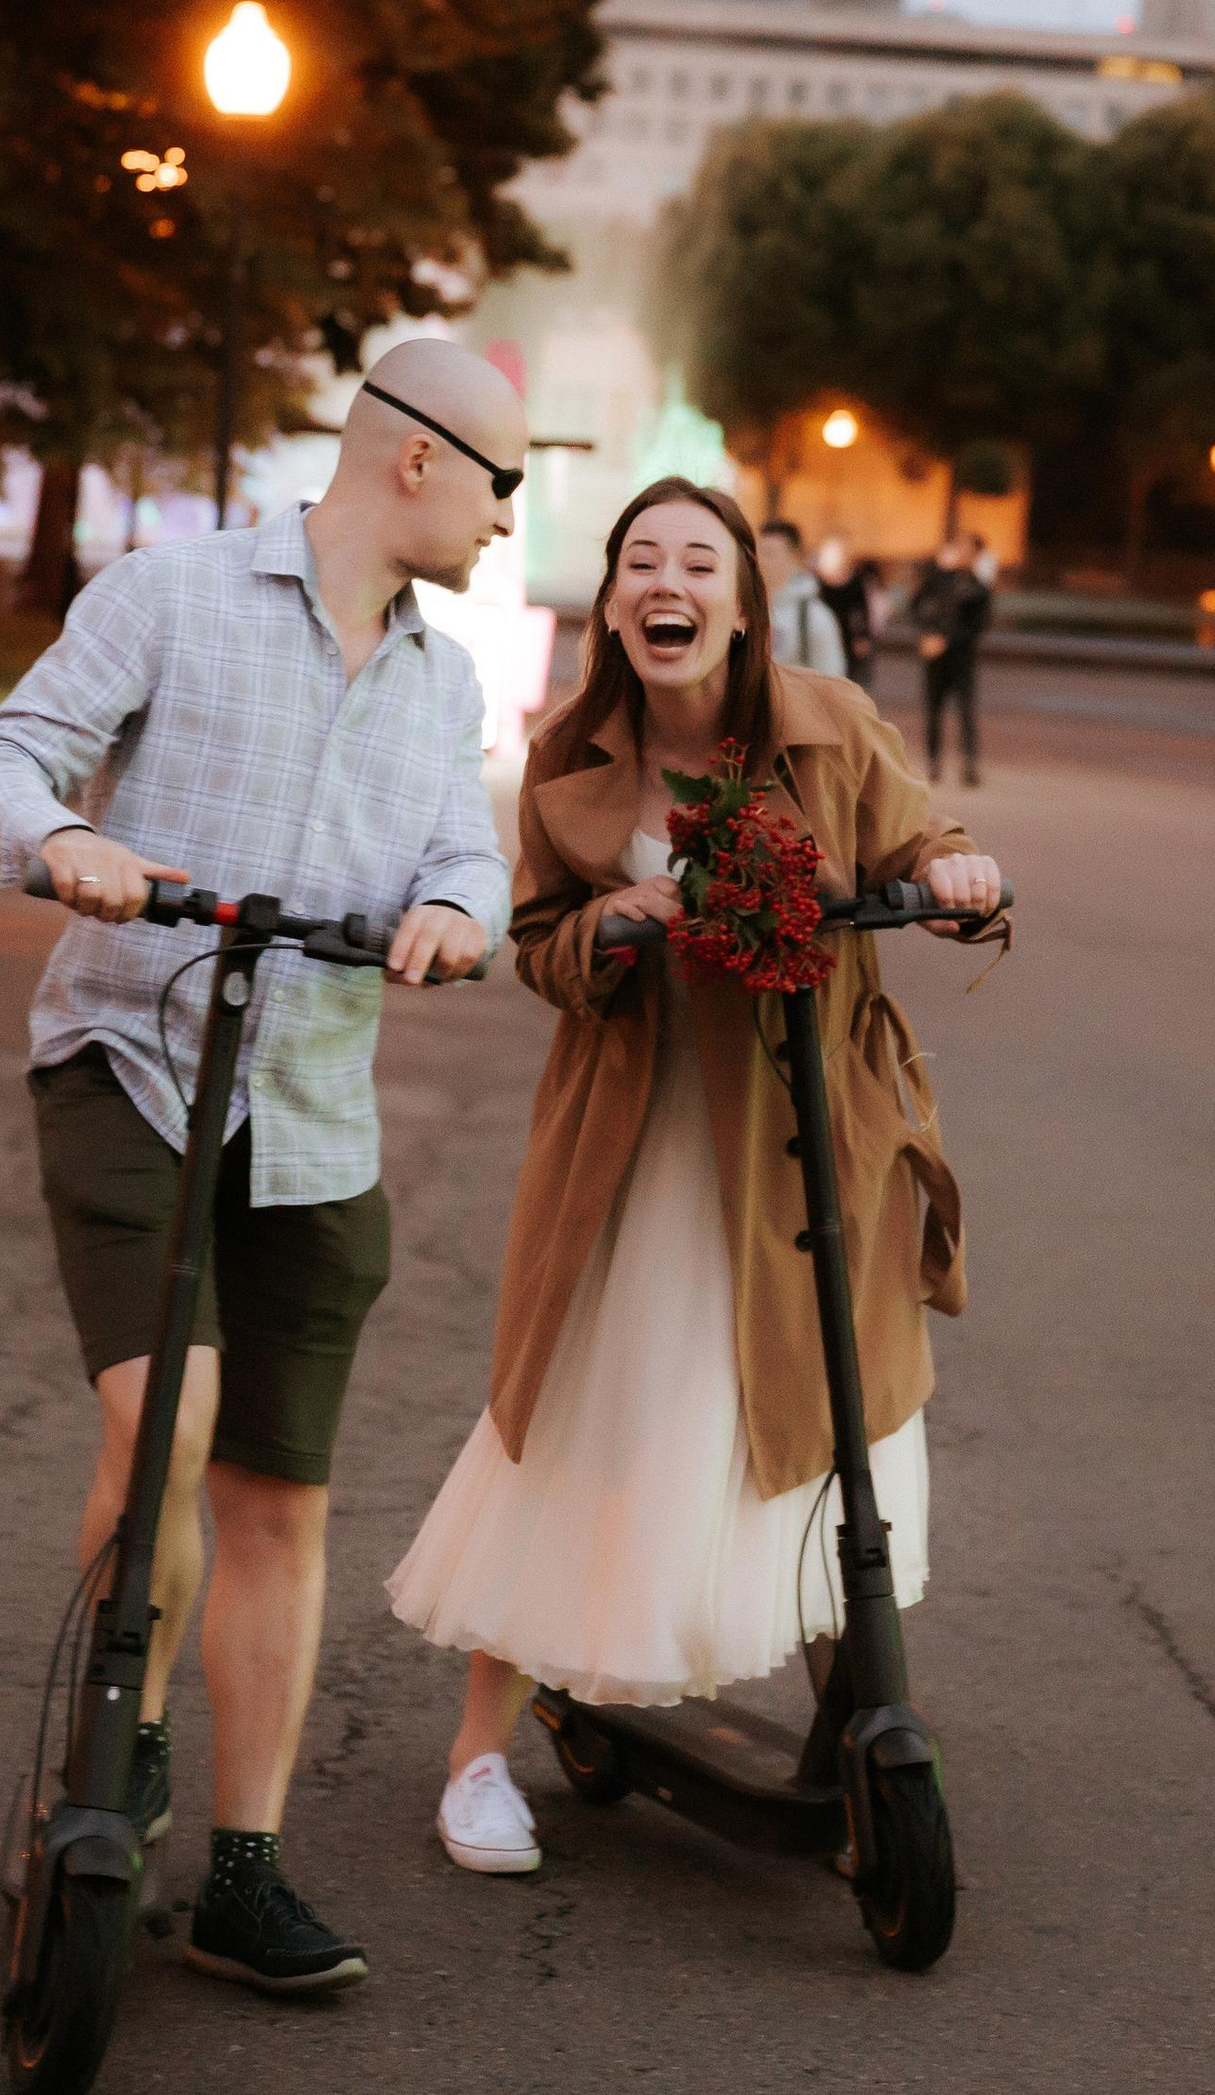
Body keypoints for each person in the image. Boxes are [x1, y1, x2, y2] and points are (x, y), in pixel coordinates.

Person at [0, 336, 521, 1997]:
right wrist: (65, 843)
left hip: (316, 1118)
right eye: (500, 478)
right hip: (133, 1070)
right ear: (416, 460)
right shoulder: (173, 595)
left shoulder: (443, 678)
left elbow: (466, 853)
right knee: (166, 1425)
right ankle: (106, 1773)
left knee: (276, 1499)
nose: (506, 515)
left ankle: (245, 1876)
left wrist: (455, 917)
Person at [386, 478, 1004, 1876]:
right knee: (584, 1416)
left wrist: (961, 875)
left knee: (824, 1421)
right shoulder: (569, 758)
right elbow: (537, 942)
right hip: (638, 1141)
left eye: (698, 562)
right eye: (641, 562)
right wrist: (613, 919)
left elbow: (926, 840)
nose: (668, 583)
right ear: (614, 601)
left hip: (803, 1140)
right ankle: (478, 1753)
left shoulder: (828, 727)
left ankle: (864, 1731)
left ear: (739, 601)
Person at [909, 532, 994, 785]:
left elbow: (978, 625)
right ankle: (933, 762)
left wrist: (944, 641)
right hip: (934, 660)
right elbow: (916, 608)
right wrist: (926, 635)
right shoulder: (933, 581)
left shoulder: (976, 586)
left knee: (966, 712)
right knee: (933, 711)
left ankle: (968, 763)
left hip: (961, 659)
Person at [758, 518, 849, 677]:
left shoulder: (815, 617)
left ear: (794, 557)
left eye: (769, 553)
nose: (760, 561)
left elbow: (831, 680)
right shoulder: (749, 610)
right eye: (758, 553)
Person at [814, 536, 881, 693]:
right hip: (824, 633)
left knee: (848, 677)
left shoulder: (856, 581)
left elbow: (863, 611)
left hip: (847, 634)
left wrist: (863, 636)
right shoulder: (816, 581)